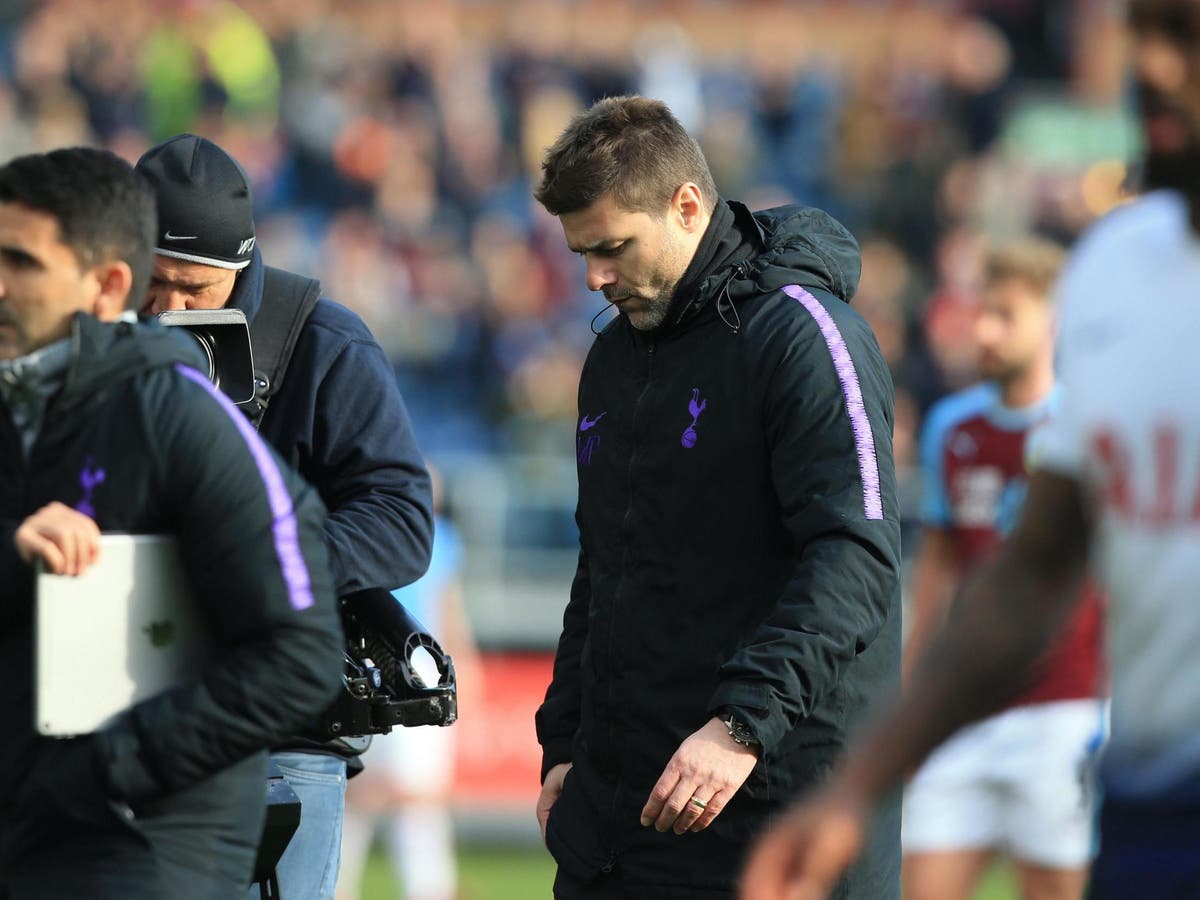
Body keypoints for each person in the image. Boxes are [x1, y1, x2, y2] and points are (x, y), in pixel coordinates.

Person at [739, 2, 1200, 898]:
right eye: (1143, 31)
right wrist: (861, 784)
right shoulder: (1111, 268)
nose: (1150, 65)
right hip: (1149, 806)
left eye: (1184, 35)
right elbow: (1032, 573)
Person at [532, 96, 902, 900]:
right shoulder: (614, 357)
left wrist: (739, 728)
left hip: (773, 807)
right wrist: (564, 746)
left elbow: (856, 556)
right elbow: (603, 567)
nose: (594, 278)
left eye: (612, 248)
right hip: (620, 823)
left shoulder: (804, 336)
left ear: (687, 206)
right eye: (581, 254)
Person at [0, 147, 344, 898]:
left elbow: (300, 657)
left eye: (21, 263)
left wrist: (109, 766)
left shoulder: (182, 416)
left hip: (140, 852)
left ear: (107, 287)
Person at [134, 133, 435, 900]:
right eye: (150, 281)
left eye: (192, 289)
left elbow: (401, 517)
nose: (166, 307)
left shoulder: (324, 345)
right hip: (114, 719)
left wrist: (269, 561)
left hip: (277, 734)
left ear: (240, 265)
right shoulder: (79, 333)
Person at [900, 238, 1105, 900]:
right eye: (981, 312)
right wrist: (914, 684)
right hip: (961, 705)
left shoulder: (1087, 428)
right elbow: (941, 567)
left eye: (1005, 314)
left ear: (1053, 322)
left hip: (1062, 708)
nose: (984, 330)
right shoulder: (950, 428)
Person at [338, 466, 482, 900]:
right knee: (366, 803)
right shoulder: (379, 531)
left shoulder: (439, 539)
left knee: (413, 809)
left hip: (418, 669)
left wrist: (466, 663)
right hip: (377, 664)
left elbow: (448, 607)